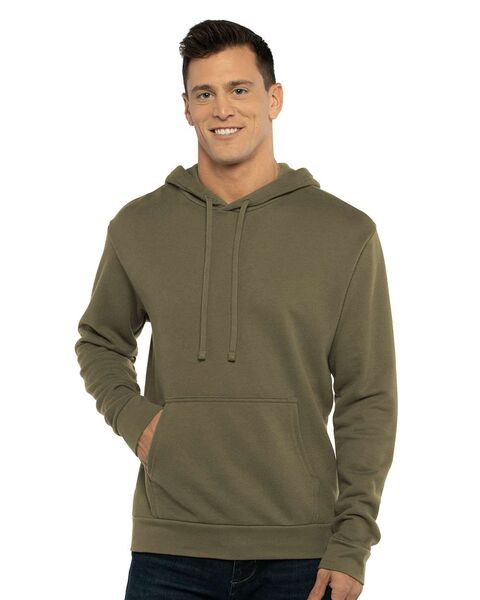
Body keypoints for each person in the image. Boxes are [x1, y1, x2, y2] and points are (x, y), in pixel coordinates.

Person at [74, 19, 398, 600]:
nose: (222, 108)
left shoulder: (345, 233)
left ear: (274, 99)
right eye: (204, 93)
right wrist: (135, 419)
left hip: (301, 553)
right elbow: (100, 340)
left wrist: (353, 542)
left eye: (239, 89)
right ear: (186, 108)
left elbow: (367, 395)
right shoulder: (139, 226)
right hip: (170, 548)